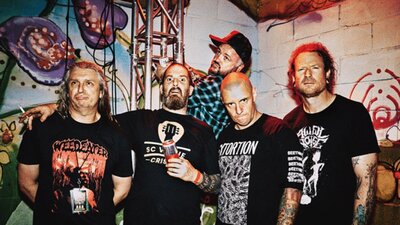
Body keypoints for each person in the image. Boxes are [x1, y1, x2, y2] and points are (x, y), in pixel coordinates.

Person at [20, 63, 221, 225]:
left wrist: (194, 175)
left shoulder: (203, 131)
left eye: (182, 79)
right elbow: (88, 110)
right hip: (139, 220)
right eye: (169, 79)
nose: (175, 83)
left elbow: (218, 184)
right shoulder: (140, 119)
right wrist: (53, 107)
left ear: (191, 89)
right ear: (162, 88)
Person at [17, 61, 133, 225]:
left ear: (101, 92)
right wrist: (53, 213)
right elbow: (26, 183)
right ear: (67, 91)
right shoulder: (40, 127)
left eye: (89, 83)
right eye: (74, 83)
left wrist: (97, 213)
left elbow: (122, 189)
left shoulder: (117, 135)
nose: (81, 89)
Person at [283, 42, 379, 225]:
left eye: (315, 68)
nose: (308, 74)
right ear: (293, 78)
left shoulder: (353, 114)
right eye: (301, 69)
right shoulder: (288, 123)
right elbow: (289, 184)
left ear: (327, 74)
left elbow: (366, 182)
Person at [217, 72, 304, 225]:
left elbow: (293, 190)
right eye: (231, 104)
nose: (238, 110)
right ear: (223, 103)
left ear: (254, 93)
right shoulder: (224, 136)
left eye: (244, 100)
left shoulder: (279, 131)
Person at [188, 30, 252, 138]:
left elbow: (179, 95)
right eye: (218, 52)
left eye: (226, 58)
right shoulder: (227, 88)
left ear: (239, 68)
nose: (217, 59)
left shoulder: (217, 84)